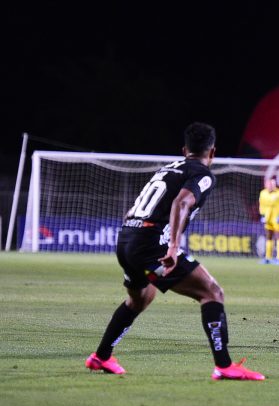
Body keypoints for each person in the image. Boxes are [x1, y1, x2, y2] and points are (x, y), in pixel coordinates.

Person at [85, 122, 265, 380]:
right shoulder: (202, 174)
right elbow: (182, 201)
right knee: (212, 292)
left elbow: (134, 209)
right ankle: (224, 366)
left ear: (184, 149)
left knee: (140, 298)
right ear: (212, 152)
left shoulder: (167, 169)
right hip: (150, 243)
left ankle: (100, 357)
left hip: (126, 237)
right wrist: (173, 246)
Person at [258, 177, 279, 265]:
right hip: (268, 218)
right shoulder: (263, 193)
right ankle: (268, 257)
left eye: (272, 184)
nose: (271, 186)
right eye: (269, 184)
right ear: (266, 184)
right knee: (268, 236)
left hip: (277, 218)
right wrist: (263, 215)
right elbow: (261, 205)